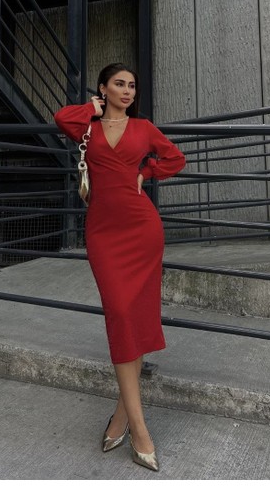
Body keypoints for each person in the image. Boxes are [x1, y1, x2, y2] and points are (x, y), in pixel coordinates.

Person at [54, 63, 186, 472]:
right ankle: (131, 419)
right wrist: (91, 108)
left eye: (132, 86)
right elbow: (62, 118)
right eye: (119, 84)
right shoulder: (88, 126)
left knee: (132, 315)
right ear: (104, 88)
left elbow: (175, 158)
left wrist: (146, 172)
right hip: (103, 234)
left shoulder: (143, 128)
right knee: (120, 312)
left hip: (142, 230)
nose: (127, 91)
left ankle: (130, 421)